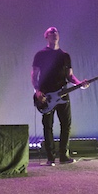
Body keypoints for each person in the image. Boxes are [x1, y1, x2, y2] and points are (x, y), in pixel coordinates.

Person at [32, 27, 87, 166]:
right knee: (48, 125)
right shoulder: (40, 54)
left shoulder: (65, 55)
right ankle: (50, 158)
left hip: (63, 94)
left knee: (66, 124)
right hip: (46, 95)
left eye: (56, 32)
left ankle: (64, 156)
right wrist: (37, 91)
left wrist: (80, 83)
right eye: (51, 32)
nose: (54, 34)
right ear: (46, 36)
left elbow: (70, 76)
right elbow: (34, 74)